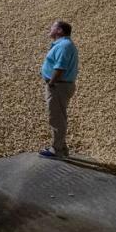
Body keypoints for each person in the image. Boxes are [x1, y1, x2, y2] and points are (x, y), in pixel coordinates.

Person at [39, 20, 79, 158]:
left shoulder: (64, 46)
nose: (49, 29)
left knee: (56, 118)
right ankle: (61, 147)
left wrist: (51, 83)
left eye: (53, 27)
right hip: (60, 85)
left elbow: (60, 67)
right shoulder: (64, 45)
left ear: (60, 31)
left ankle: (57, 150)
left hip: (58, 86)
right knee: (59, 116)